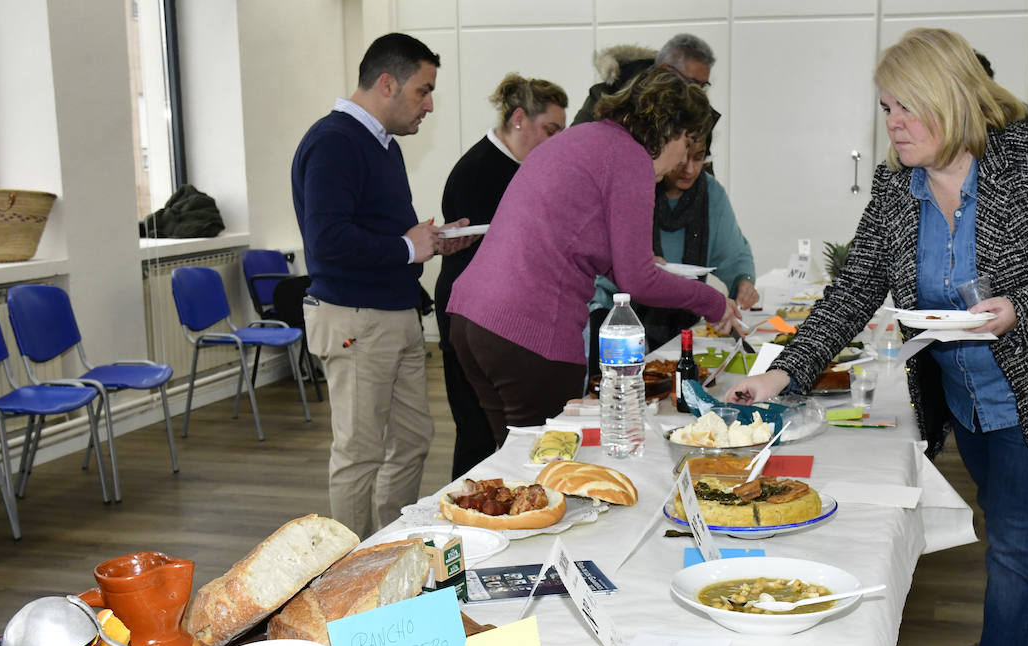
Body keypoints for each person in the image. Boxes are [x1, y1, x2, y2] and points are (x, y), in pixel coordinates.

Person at [726, 28, 1028, 646]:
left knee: (1017, 541)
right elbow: (855, 286)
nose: (891, 122)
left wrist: (1022, 308)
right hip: (968, 396)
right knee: (1015, 526)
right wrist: (783, 371)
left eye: (906, 106)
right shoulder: (901, 185)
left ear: (952, 102)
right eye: (886, 106)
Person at [447, 66, 739, 444]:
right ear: (675, 131)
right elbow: (637, 281)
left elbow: (571, 237)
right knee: (552, 465)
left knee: (511, 459)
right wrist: (713, 301)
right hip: (528, 333)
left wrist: (636, 262)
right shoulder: (631, 159)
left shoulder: (584, 137)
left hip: (472, 322)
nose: (682, 165)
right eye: (686, 148)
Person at [291, 32, 474, 538]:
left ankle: (391, 548)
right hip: (355, 318)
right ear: (387, 83)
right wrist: (409, 248)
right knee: (359, 454)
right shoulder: (333, 142)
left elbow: (381, 235)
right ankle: (349, 571)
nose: (430, 105)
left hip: (393, 315)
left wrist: (430, 242)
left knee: (414, 439)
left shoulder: (382, 145)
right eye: (423, 90)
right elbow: (327, 243)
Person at [434, 74, 568, 478]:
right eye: (551, 130)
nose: (557, 142)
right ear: (519, 118)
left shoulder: (518, 167)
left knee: (502, 434)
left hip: (492, 320)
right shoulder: (479, 171)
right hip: (469, 321)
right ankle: (467, 517)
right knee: (475, 434)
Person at [591, 129, 758, 352]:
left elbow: (733, 253)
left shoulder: (710, 193)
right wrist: (642, 268)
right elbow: (605, 263)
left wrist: (743, 281)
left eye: (698, 157)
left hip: (683, 330)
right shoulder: (634, 188)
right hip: (618, 324)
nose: (689, 168)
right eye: (682, 158)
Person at [572, 33, 717, 125]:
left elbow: (701, 170)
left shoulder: (697, 112)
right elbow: (572, 150)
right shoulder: (605, 97)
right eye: (692, 83)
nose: (698, 93)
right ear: (665, 71)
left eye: (703, 85)